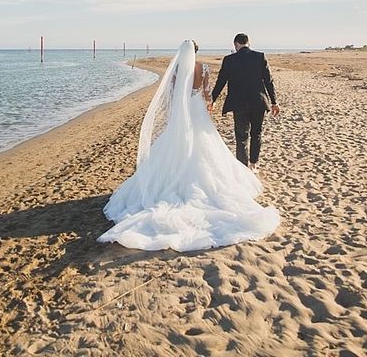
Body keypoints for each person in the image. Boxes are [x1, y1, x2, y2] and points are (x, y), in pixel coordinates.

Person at [98, 40, 279, 251]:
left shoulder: (175, 70)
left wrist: (178, 112)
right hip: (198, 110)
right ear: (196, 52)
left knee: (177, 144)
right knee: (208, 144)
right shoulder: (203, 68)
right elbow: (207, 92)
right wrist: (209, 104)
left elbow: (173, 94)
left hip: (183, 111)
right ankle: (248, 166)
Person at [211, 33, 279, 173]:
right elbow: (268, 81)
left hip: (239, 104)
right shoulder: (260, 57)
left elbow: (221, 81)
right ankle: (253, 164)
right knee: (256, 133)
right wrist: (274, 102)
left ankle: (242, 168)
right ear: (249, 43)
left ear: (235, 44)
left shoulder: (229, 60)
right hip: (258, 102)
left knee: (241, 136)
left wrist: (212, 99)